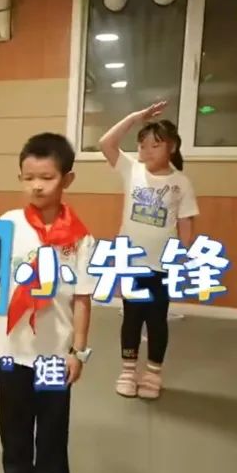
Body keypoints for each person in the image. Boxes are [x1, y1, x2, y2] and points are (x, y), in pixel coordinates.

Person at [0, 133, 95, 473]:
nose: (36, 186)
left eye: (47, 177)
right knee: (13, 425)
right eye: (28, 177)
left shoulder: (79, 238)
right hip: (11, 349)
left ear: (67, 179)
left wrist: (78, 351)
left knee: (52, 428)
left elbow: (82, 298)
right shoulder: (8, 224)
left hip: (55, 353)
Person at [99, 102, 198, 400]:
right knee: (131, 318)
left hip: (162, 266)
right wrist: (135, 117)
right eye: (142, 145)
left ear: (172, 147)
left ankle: (153, 373)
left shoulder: (180, 183)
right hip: (131, 262)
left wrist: (182, 258)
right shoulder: (132, 170)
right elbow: (106, 143)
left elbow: (186, 223)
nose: (147, 150)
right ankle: (128, 371)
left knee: (156, 320)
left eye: (156, 145)